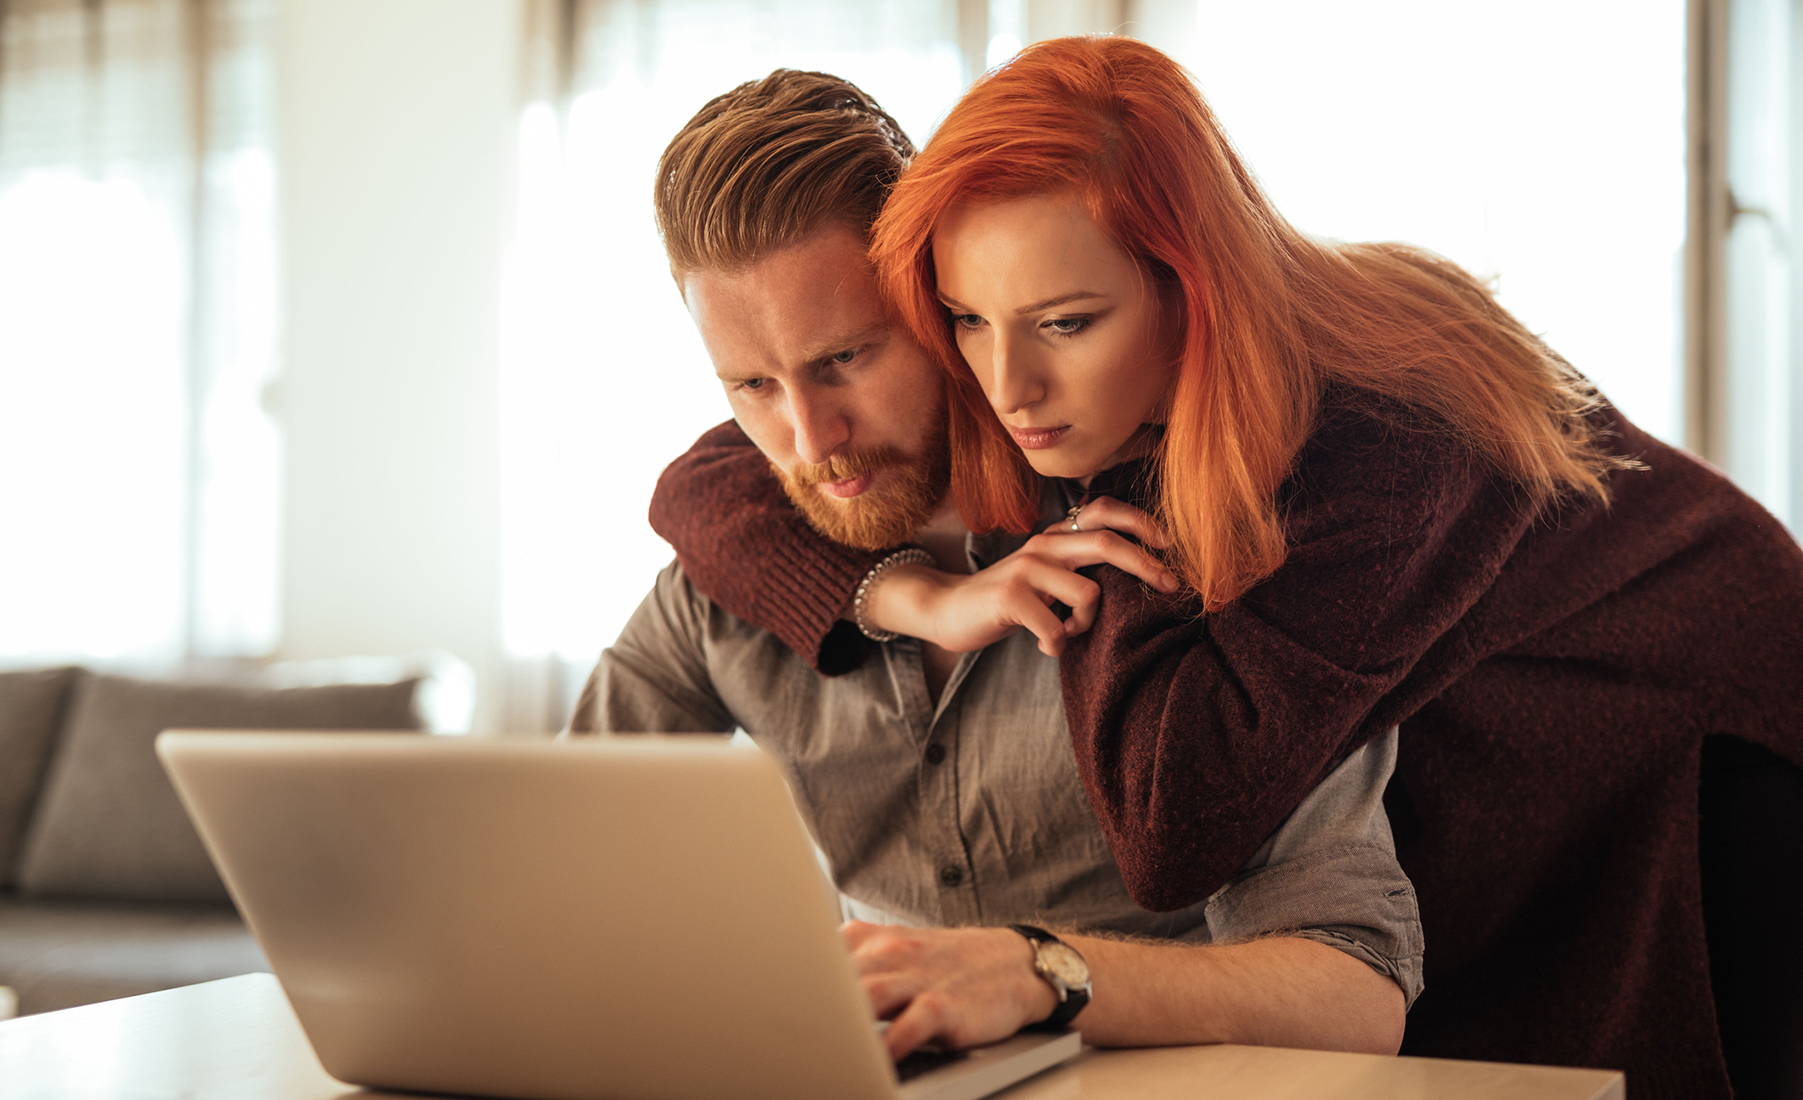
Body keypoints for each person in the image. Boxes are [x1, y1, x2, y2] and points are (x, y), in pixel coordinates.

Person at [644, 35, 1803, 1100]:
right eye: (969, 322)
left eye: (1067, 322)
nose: (1006, 389)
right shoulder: (1077, 402)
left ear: (1184, 289)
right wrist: (912, 594)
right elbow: (707, 486)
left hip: (1691, 724)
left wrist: (1097, 515)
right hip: (1474, 744)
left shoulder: (1372, 444)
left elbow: (1174, 823)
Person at [568, 66, 1426, 1063]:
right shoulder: (721, 586)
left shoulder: (1170, 541)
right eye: (754, 385)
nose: (811, 437)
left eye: (847, 357)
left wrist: (1037, 970)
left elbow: (1354, 982)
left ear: (943, 303)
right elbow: (562, 879)